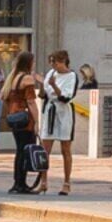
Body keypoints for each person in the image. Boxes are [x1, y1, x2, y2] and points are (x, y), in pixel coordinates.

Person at [2, 54, 45, 191]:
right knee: (25, 150)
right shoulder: (27, 79)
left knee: (20, 150)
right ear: (29, 63)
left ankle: (17, 182)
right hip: (25, 119)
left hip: (14, 117)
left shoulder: (12, 78)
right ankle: (21, 183)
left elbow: (5, 98)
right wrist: (37, 121)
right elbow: (31, 101)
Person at [39, 52, 80, 195]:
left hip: (63, 112)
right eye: (51, 63)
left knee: (65, 149)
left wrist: (54, 85)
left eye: (55, 62)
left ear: (63, 61)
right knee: (45, 149)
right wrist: (43, 85)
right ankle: (43, 181)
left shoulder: (72, 76)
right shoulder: (51, 73)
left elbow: (65, 97)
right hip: (50, 110)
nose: (53, 65)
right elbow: (43, 95)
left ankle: (66, 182)